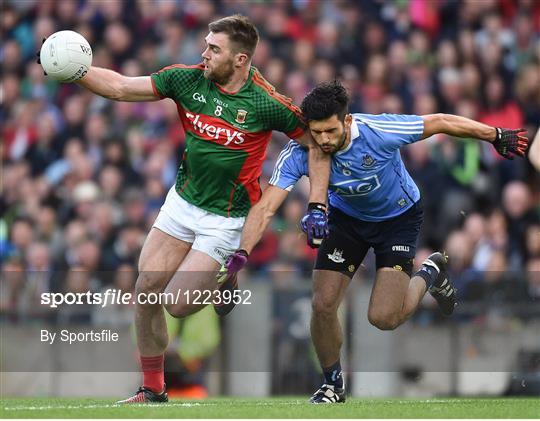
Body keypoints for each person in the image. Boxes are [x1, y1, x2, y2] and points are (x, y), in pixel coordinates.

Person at [38, 15, 330, 403]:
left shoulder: (267, 103)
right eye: (206, 44)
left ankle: (225, 280)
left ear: (241, 59)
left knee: (177, 305)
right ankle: (153, 389)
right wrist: (77, 71)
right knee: (145, 291)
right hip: (181, 203)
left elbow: (319, 143)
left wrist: (318, 202)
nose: (204, 53)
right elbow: (122, 87)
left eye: (214, 48)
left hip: (225, 220)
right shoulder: (186, 79)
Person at [219, 80, 529, 403]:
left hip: (398, 219)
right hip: (348, 222)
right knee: (322, 304)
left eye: (330, 131)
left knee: (383, 317)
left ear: (347, 121)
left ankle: (431, 272)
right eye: (317, 132)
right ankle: (333, 384)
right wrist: (242, 253)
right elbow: (268, 205)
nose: (323, 140)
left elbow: (440, 121)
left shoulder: (378, 130)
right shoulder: (301, 150)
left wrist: (494, 135)